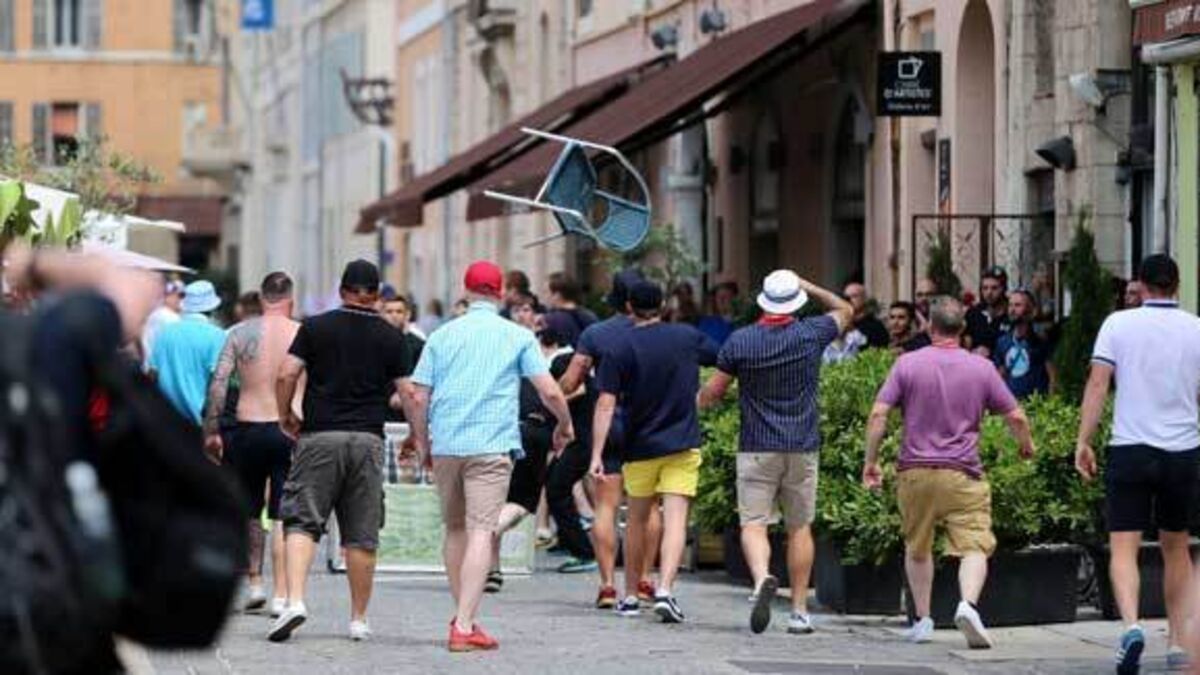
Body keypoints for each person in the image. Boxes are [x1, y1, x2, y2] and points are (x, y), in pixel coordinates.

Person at [408, 260, 574, 653]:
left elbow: (417, 396)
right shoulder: (516, 336)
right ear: (500, 293)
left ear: (465, 291)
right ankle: (464, 625)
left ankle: (462, 617)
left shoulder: (441, 336)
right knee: (482, 530)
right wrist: (564, 424)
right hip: (491, 444)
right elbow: (550, 391)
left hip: (448, 443)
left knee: (455, 530)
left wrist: (422, 442)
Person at [863, 298, 1034, 650]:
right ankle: (967, 605)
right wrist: (1026, 445)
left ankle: (923, 619)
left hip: (915, 471)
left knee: (917, 547)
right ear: (963, 329)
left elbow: (878, 415)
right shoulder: (982, 368)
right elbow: (1016, 417)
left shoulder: (907, 363)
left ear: (929, 327)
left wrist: (871, 461)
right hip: (963, 472)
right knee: (975, 545)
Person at [268, 260, 415, 644]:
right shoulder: (391, 337)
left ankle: (295, 601)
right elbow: (409, 393)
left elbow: (286, 373)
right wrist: (417, 436)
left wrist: (285, 414)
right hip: (368, 439)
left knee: (302, 519)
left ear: (342, 290)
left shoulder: (315, 327)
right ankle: (358, 620)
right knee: (362, 532)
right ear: (376, 294)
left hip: (320, 434)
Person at [698, 270, 852, 635]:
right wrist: (809, 285)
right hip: (802, 445)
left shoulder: (741, 340)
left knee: (754, 523)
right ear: (796, 301)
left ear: (763, 302)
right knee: (799, 527)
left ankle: (761, 577)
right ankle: (799, 611)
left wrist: (696, 403)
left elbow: (713, 393)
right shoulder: (811, 333)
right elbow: (845, 309)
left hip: (756, 445)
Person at [1075, 255, 1200, 674]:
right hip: (1182, 450)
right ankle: (1178, 641)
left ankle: (1131, 626)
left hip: (1130, 447)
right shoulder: (1196, 328)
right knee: (1177, 546)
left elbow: (1098, 383)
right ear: (1176, 285)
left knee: (1123, 546)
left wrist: (1084, 440)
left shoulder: (1117, 325)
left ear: (1141, 286)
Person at [590, 279, 718, 623]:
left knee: (635, 520)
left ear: (629, 307)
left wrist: (597, 453)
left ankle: (631, 596)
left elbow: (605, 403)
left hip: (638, 447)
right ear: (662, 305)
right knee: (675, 520)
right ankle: (664, 589)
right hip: (682, 443)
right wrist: (704, 395)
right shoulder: (687, 337)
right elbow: (723, 360)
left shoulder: (619, 346)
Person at [556, 269, 662, 608]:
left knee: (606, 505)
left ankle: (607, 585)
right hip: (649, 426)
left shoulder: (596, 333)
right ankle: (644, 579)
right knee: (649, 506)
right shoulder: (662, 333)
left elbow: (570, 382)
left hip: (608, 426)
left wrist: (557, 397)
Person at [202, 272, 301, 617]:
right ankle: (282, 594)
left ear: (261, 299)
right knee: (284, 514)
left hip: (246, 427)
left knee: (248, 509)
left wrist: (212, 429)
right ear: (290, 300)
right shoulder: (302, 333)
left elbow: (218, 384)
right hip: (289, 428)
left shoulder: (238, 333)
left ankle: (255, 582)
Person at [486, 312, 586, 594]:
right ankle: (491, 544)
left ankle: (492, 568)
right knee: (521, 502)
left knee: (494, 502)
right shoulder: (537, 361)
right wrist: (564, 424)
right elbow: (554, 394)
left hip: (494, 433)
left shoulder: (493, 364)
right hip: (532, 430)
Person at [147, 280, 227, 427]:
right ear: (212, 308)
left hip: (166, 422)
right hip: (201, 423)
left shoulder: (165, 333)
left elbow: (152, 375)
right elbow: (219, 383)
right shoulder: (217, 336)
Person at [993, 289, 1054, 398]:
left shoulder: (1040, 341)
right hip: (1011, 402)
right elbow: (1000, 376)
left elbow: (1052, 375)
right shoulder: (1002, 342)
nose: (1012, 309)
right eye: (1010, 305)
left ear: (1030, 310)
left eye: (1017, 305)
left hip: (1035, 401)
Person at [965, 267, 1010, 357]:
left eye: (994, 288)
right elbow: (966, 341)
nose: (989, 292)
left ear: (1003, 289)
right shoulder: (974, 313)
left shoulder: (1011, 314)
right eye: (985, 288)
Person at [544, 272, 598, 347]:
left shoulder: (550, 320)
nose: (545, 296)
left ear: (557, 295)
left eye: (546, 292)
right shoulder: (590, 316)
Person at [141, 278, 184, 362]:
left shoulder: (154, 313)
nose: (181, 300)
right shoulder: (170, 318)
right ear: (168, 296)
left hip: (148, 362)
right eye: (179, 295)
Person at [844, 282, 889, 348]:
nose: (849, 300)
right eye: (846, 297)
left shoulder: (875, 326)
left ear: (864, 299)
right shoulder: (840, 324)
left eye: (854, 296)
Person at [697, 280, 741, 346]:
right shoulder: (706, 322)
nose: (721, 301)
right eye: (718, 297)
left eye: (725, 297)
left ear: (734, 299)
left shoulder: (741, 323)